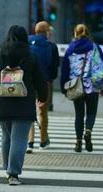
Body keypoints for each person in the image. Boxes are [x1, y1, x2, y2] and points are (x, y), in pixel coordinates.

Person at [0, 25, 47, 185]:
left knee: (6, 138)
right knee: (19, 139)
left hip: (3, 102)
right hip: (24, 103)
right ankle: (13, 173)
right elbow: (40, 79)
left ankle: (7, 169)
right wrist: (43, 97)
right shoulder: (31, 57)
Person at [60, 24, 103, 153]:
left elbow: (65, 69)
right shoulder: (95, 47)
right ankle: (88, 131)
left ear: (75, 33)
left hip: (76, 87)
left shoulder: (70, 48)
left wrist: (63, 87)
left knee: (79, 114)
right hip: (93, 86)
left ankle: (78, 143)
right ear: (87, 33)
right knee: (91, 113)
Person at [26, 21, 60, 153]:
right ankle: (43, 140)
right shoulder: (51, 46)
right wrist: (50, 79)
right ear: (47, 32)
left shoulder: (27, 42)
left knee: (29, 111)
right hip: (44, 82)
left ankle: (30, 141)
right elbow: (55, 66)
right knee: (43, 111)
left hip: (29, 82)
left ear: (36, 31)